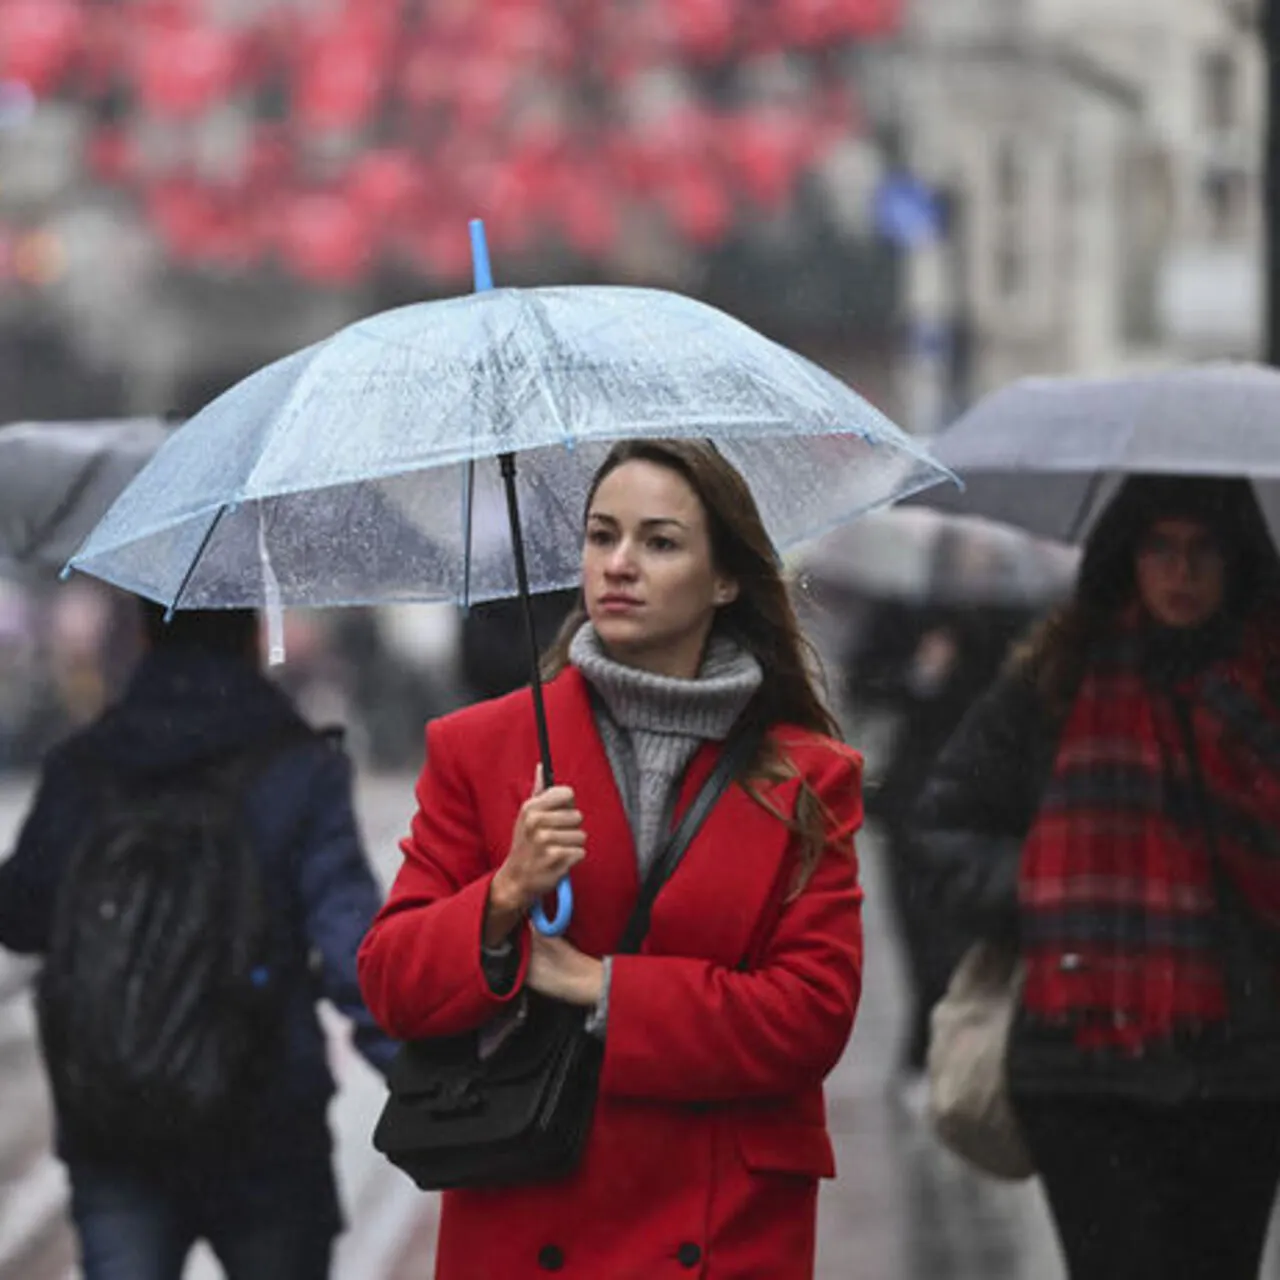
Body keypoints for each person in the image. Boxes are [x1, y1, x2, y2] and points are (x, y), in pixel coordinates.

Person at [358, 438, 864, 1279]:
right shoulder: (483, 748)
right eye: (601, 536)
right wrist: (503, 896)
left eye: (659, 542)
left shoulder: (807, 777)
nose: (619, 564)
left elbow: (809, 1017)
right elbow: (391, 982)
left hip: (723, 1227)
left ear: (726, 578)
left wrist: (603, 988)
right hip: (531, 1208)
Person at [912, 475, 1280, 1279]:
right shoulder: (1058, 675)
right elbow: (942, 825)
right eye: (1160, 549)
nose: (1181, 573)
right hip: (1080, 1066)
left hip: (1238, 1070)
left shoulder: (1267, 687)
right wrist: (1044, 889)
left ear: (1239, 560)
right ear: (1127, 557)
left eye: (1202, 550)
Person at [0, 602, 397, 1280]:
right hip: (267, 1117)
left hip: (114, 1118)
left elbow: (20, 915)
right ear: (254, 635)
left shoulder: (84, 765)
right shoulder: (301, 767)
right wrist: (420, 1071)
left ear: (148, 633)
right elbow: (353, 951)